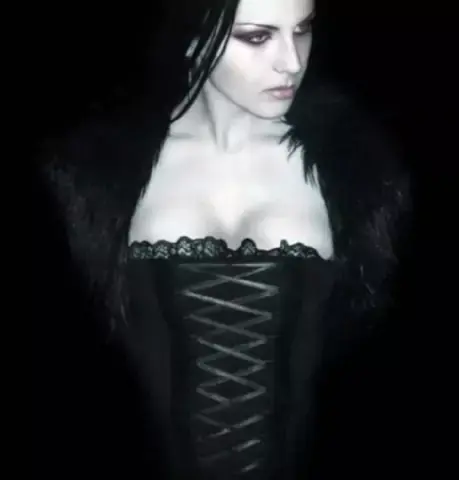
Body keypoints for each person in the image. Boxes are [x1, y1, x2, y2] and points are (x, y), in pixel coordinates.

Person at [35, 0, 412, 478]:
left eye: (302, 30)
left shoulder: (365, 175)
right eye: (257, 37)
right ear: (191, 39)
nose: (292, 61)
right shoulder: (86, 175)